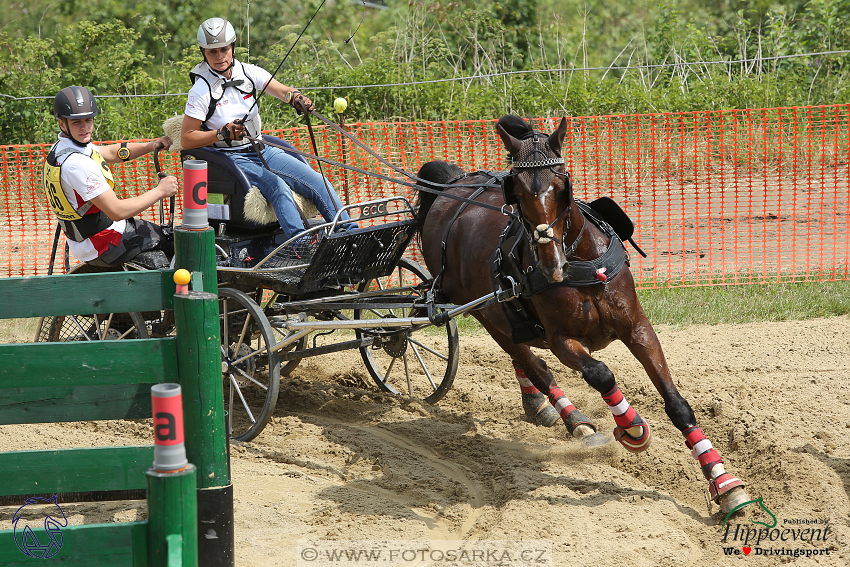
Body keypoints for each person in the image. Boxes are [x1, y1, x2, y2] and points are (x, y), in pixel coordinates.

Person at [180, 17, 356, 241]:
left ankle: (350, 235)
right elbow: (187, 139)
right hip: (230, 158)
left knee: (318, 181)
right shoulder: (200, 90)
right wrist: (221, 133)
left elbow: (283, 91)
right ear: (203, 52)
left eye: (224, 49)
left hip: (262, 149)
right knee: (278, 187)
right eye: (212, 51)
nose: (219, 56)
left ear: (232, 47)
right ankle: (300, 246)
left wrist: (297, 98)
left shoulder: (249, 72)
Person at [44, 86, 179, 267]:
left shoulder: (63, 148)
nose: (84, 127)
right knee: (176, 243)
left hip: (86, 239)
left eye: (88, 120)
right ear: (62, 123)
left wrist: (150, 145)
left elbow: (111, 152)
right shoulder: (77, 165)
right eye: (77, 122)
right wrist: (160, 191)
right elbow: (117, 211)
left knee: (159, 233)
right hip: (102, 242)